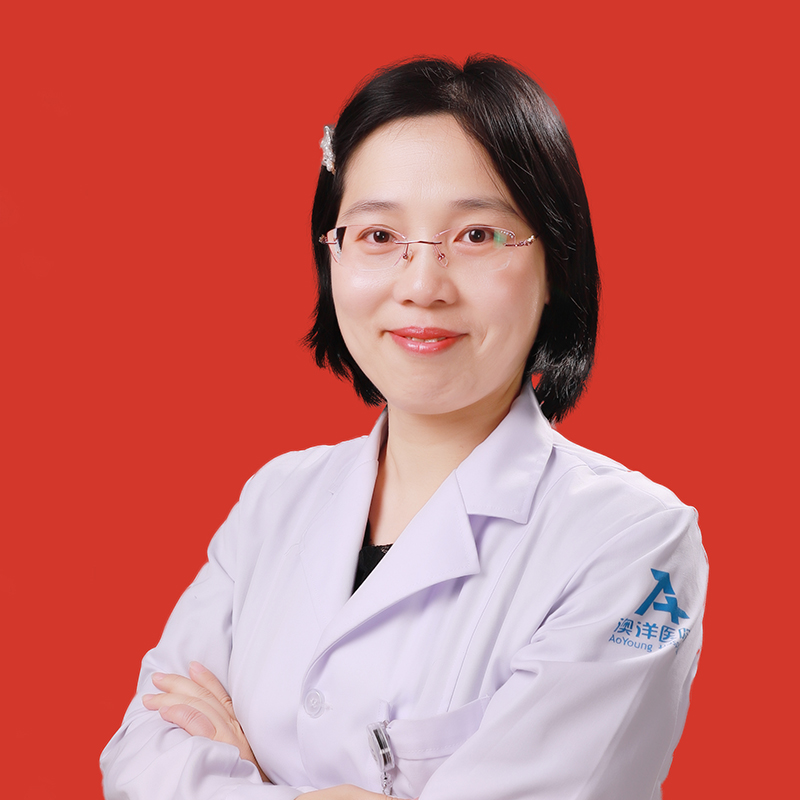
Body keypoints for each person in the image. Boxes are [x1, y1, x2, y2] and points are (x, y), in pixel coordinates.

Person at [101, 55, 707, 800]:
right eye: (379, 236)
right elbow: (142, 755)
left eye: (477, 235)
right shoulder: (276, 499)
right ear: (332, 255)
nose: (422, 285)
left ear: (555, 263)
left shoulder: (631, 542)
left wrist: (242, 778)